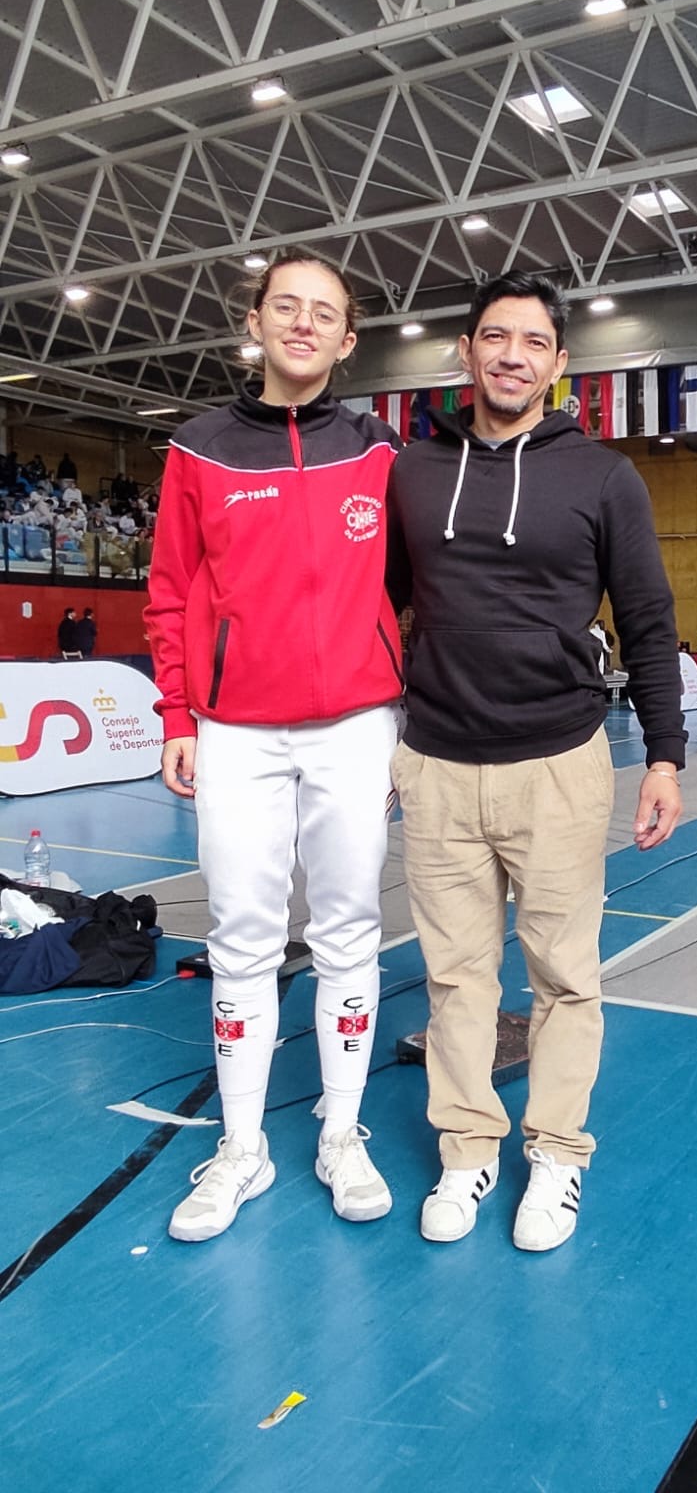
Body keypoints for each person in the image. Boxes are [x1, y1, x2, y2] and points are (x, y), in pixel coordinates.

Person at [387, 270, 685, 1253]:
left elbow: (646, 622)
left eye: (532, 340)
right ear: (466, 352)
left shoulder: (604, 477)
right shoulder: (413, 473)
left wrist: (666, 756)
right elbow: (385, 605)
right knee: (457, 979)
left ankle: (555, 1155)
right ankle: (467, 1151)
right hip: (435, 765)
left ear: (559, 363)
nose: (511, 353)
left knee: (566, 978)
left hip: (559, 763)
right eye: (493, 337)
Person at [145, 246, 404, 1242]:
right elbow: (168, 591)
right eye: (283, 306)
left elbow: (420, 589)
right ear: (252, 322)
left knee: (347, 932)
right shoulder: (198, 451)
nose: (302, 323)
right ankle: (242, 1148)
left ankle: (343, 1132)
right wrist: (177, 715)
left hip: (354, 726)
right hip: (235, 733)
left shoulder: (380, 453)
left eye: (323, 312)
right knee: (241, 940)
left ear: (347, 339)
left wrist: (406, 713)